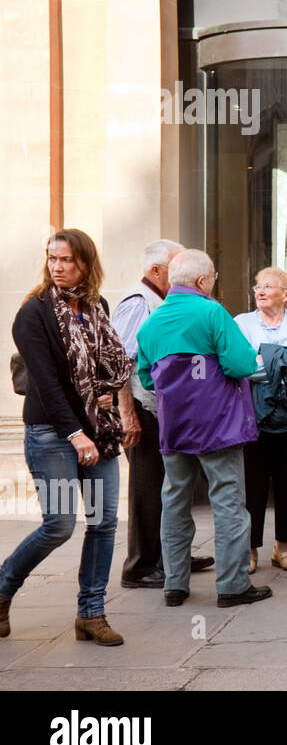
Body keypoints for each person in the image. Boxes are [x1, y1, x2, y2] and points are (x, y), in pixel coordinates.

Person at [2, 230, 135, 646]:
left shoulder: (97, 306)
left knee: (102, 522)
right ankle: (3, 588)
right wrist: (76, 434)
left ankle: (91, 614)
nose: (58, 267)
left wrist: (111, 393)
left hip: (100, 431)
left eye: (67, 261)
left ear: (85, 264)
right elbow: (46, 384)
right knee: (59, 525)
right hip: (53, 435)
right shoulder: (33, 314)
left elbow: (109, 363)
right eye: (52, 259)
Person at [135, 249, 271, 609]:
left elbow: (147, 377)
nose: (214, 281)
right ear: (202, 281)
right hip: (218, 424)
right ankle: (232, 585)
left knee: (175, 501)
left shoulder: (152, 322)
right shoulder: (212, 312)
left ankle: (174, 584)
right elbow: (240, 363)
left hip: (174, 426)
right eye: (213, 276)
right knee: (228, 504)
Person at [111, 238, 214, 589]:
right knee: (147, 489)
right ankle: (139, 567)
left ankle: (172, 557)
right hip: (142, 410)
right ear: (156, 270)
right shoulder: (138, 303)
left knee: (168, 487)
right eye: (175, 267)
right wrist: (128, 415)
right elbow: (121, 363)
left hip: (162, 410)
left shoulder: (162, 300)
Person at [235, 267, 287, 575]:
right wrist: (284, 360)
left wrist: (264, 358)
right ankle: (251, 550)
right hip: (253, 419)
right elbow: (240, 366)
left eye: (268, 286)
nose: (260, 290)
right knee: (253, 486)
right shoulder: (241, 323)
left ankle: (282, 548)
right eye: (258, 285)